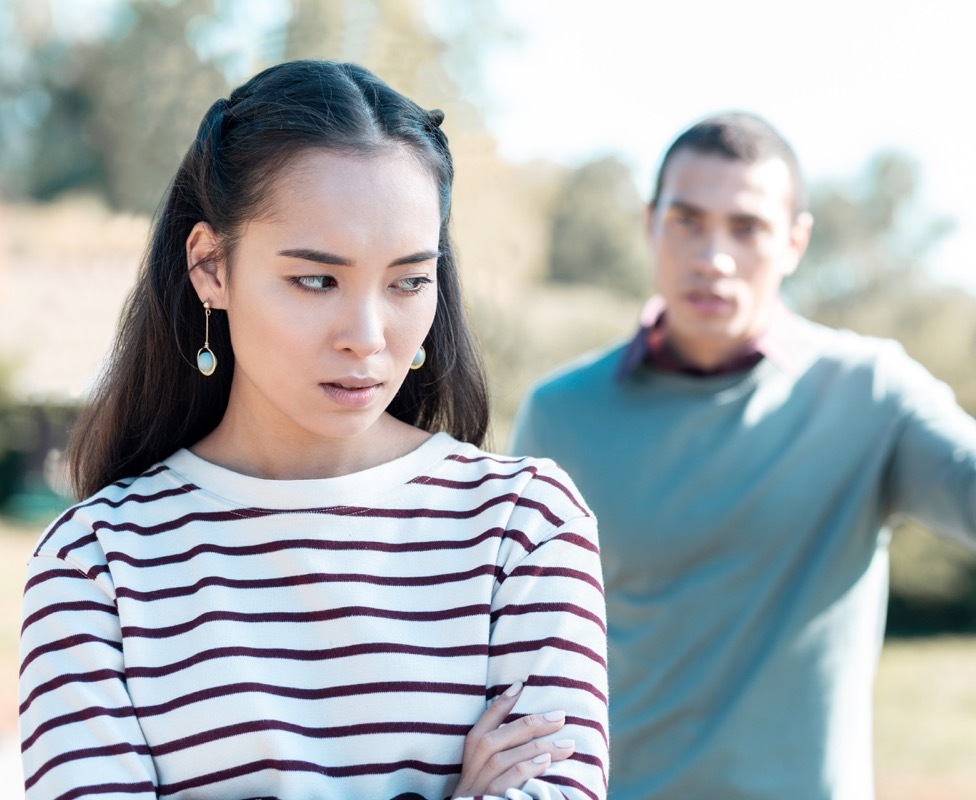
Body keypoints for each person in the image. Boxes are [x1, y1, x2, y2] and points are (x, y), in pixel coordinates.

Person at [19, 60, 608, 800]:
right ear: (210, 266)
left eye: (408, 281)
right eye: (317, 280)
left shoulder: (525, 524)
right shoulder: (95, 564)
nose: (367, 336)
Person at [510, 112, 976, 799]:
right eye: (687, 220)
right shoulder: (563, 414)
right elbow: (514, 656)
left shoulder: (869, 393)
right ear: (650, 224)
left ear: (794, 242)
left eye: (746, 228)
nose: (712, 256)